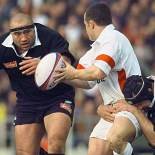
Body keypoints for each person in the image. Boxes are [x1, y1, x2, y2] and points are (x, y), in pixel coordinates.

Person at [55, 2, 142, 155]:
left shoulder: (113, 39)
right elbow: (86, 82)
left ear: (91, 24)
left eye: (85, 24)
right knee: (95, 150)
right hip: (112, 109)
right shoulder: (94, 50)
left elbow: (98, 73)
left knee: (114, 139)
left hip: (133, 106)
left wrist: (72, 73)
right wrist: (59, 76)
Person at [0, 13, 75, 155]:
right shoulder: (2, 46)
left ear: (34, 28)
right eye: (17, 34)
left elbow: (67, 63)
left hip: (57, 97)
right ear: (11, 34)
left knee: (56, 145)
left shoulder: (49, 36)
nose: (23, 38)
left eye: (27, 32)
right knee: (25, 152)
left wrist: (44, 65)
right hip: (27, 101)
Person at [115, 75, 155, 148]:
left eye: (140, 103)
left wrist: (135, 111)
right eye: (135, 105)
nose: (139, 107)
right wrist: (101, 109)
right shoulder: (147, 83)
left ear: (150, 91)